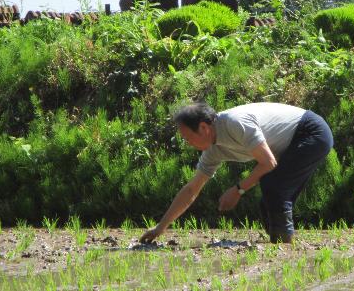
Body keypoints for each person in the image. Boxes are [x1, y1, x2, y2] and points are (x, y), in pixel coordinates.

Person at [140, 102, 333, 244]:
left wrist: (238, 190)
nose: (188, 143)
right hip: (293, 141)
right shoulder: (212, 150)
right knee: (269, 197)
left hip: (311, 132)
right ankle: (281, 243)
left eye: (188, 138)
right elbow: (192, 190)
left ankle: (285, 245)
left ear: (203, 127)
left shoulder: (234, 123)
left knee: (273, 186)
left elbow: (268, 163)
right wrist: (160, 228)